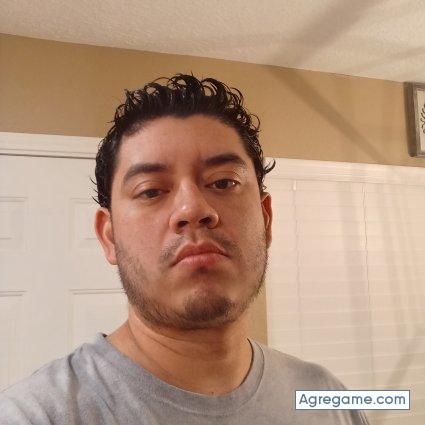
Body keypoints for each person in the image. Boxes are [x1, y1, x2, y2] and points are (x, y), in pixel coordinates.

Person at [0, 74, 369, 424]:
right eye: (151, 191)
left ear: (266, 219)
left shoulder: (328, 398)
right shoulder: (36, 415)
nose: (192, 209)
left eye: (223, 183)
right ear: (109, 237)